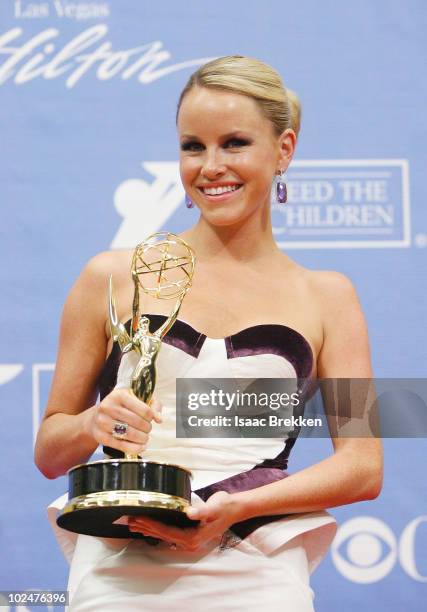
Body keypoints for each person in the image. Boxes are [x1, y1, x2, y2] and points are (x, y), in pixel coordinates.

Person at [34, 55, 383, 611]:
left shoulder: (328, 296)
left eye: (235, 143)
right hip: (119, 575)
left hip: (258, 570)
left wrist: (237, 509)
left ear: (284, 150)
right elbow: (50, 451)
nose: (210, 166)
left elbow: (363, 466)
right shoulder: (112, 276)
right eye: (193, 146)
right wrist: (91, 423)